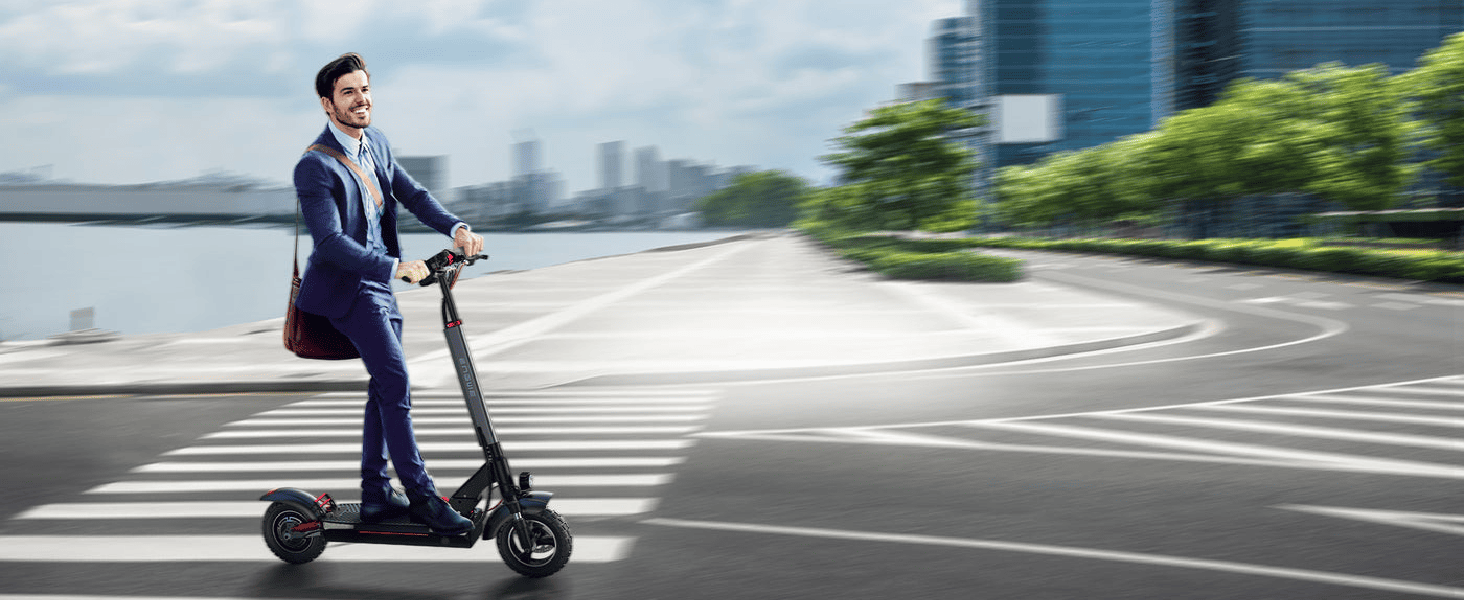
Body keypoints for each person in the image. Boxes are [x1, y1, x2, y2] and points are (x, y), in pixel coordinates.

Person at [293, 52, 484, 535]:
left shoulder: (376, 142)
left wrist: (457, 228)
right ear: (327, 104)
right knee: (396, 382)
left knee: (383, 386)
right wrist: (395, 267)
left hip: (379, 286)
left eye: (365, 89)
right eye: (348, 92)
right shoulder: (314, 167)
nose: (361, 99)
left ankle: (376, 495)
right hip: (348, 289)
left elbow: (413, 194)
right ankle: (422, 496)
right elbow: (330, 243)